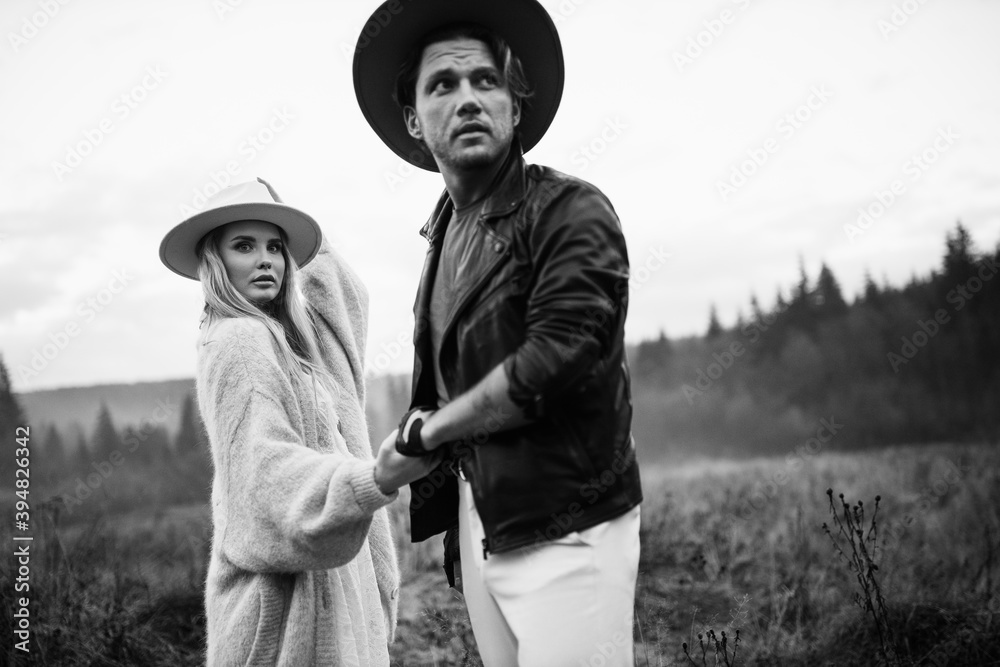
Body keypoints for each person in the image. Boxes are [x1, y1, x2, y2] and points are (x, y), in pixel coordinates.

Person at [353, 2, 644, 665]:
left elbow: (555, 362)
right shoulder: (441, 234)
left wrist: (426, 433)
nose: (468, 98)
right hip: (482, 522)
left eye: (485, 80)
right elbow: (449, 381)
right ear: (413, 120)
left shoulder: (569, 209)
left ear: (515, 105)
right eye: (442, 85)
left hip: (570, 527)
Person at [158, 177, 439, 666]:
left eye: (276, 247)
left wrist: (297, 225)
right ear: (214, 261)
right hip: (282, 603)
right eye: (244, 246)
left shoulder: (285, 341)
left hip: (323, 575)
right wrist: (373, 478)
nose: (265, 259)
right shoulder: (241, 341)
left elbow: (343, 303)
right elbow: (264, 473)